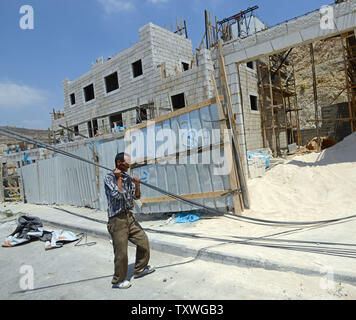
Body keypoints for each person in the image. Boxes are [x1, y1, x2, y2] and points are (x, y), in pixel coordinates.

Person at [104, 152, 155, 289]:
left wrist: (137, 185)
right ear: (119, 163)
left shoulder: (127, 178)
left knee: (143, 240)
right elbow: (117, 195)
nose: (129, 165)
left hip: (129, 217)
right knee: (121, 252)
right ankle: (118, 280)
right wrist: (118, 178)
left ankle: (139, 268)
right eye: (127, 163)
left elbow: (136, 197)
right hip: (117, 219)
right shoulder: (109, 178)